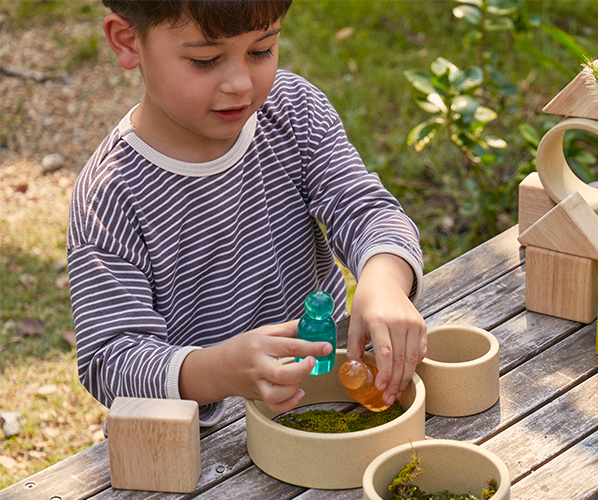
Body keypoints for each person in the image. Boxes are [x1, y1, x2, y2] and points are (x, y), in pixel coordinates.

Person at [68, 0, 427, 426]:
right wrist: (218, 372)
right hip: (201, 442)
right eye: (205, 60)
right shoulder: (111, 197)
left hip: (321, 393)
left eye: (261, 51)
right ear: (129, 42)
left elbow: (364, 208)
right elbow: (110, 360)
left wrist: (384, 280)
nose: (240, 83)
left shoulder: (294, 113)